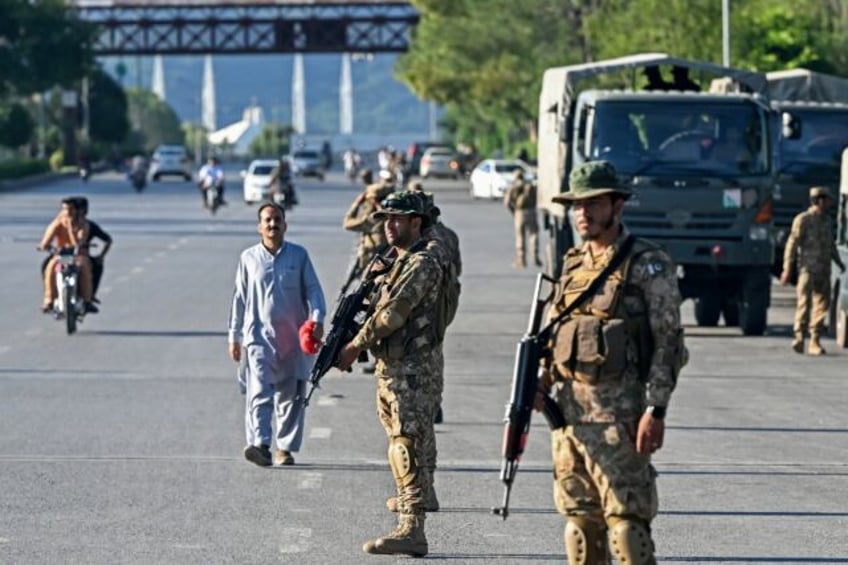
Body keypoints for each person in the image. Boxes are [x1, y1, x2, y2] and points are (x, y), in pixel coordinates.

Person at [538, 161, 687, 564]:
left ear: (617, 206)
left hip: (620, 420)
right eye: (576, 205)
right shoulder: (571, 263)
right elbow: (554, 333)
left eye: (594, 203)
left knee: (627, 531)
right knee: (581, 530)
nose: (582, 213)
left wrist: (655, 409)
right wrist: (540, 379)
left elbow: (668, 342)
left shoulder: (646, 263)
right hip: (568, 421)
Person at [336, 191, 442, 557]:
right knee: (410, 440)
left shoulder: (423, 261)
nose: (389, 225)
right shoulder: (398, 261)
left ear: (417, 222)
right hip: (393, 365)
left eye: (398, 219)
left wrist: (354, 347)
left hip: (410, 367)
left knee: (405, 445)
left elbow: (392, 314)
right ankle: (417, 499)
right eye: (386, 218)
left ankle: (412, 529)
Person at [228, 203, 327, 467]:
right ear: (259, 226)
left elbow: (314, 291)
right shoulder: (248, 258)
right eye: (267, 221)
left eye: (277, 220)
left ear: (285, 224)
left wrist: (317, 319)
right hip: (258, 338)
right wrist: (233, 335)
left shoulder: (299, 256)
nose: (272, 225)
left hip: (293, 340)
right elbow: (239, 298)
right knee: (258, 392)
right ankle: (259, 444)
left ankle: (284, 448)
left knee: (291, 396)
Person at [780, 186, 846, 355]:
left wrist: (839, 263)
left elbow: (831, 245)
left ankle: (815, 341)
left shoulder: (827, 221)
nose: (830, 203)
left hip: (824, 270)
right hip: (807, 270)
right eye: (827, 200)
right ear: (820, 200)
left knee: (822, 306)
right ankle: (799, 338)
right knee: (804, 304)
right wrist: (787, 268)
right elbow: (792, 244)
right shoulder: (803, 220)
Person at [37, 197, 97, 314]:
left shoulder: (82, 224)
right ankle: (49, 299)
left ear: (76, 210)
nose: (67, 212)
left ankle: (86, 300)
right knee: (50, 267)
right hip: (62, 255)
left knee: (84, 267)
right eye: (65, 209)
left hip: (77, 255)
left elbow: (79, 242)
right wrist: (44, 245)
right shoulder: (58, 223)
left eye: (70, 209)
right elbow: (47, 238)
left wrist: (70, 227)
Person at [73, 197, 112, 303]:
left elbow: (108, 240)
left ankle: (90, 296)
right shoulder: (62, 224)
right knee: (47, 265)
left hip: (82, 257)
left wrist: (101, 256)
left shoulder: (89, 225)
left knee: (97, 265)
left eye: (79, 209)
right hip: (64, 256)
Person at [504, 168, 542, 268]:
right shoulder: (529, 186)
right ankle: (535, 256)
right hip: (531, 211)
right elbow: (537, 197)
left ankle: (522, 260)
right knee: (533, 234)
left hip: (519, 212)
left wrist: (514, 212)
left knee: (520, 236)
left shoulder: (513, 187)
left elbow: (507, 202)